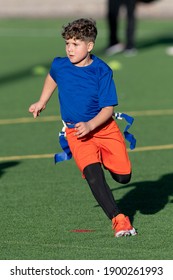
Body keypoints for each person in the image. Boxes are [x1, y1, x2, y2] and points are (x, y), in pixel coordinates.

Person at [29, 18, 137, 237]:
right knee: (93, 175)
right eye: (67, 43)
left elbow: (108, 109)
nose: (70, 49)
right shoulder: (60, 64)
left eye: (76, 44)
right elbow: (52, 76)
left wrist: (91, 125)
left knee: (123, 177)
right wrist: (42, 101)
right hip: (77, 133)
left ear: (89, 46)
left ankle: (103, 159)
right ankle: (119, 219)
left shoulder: (102, 71)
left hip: (104, 130)